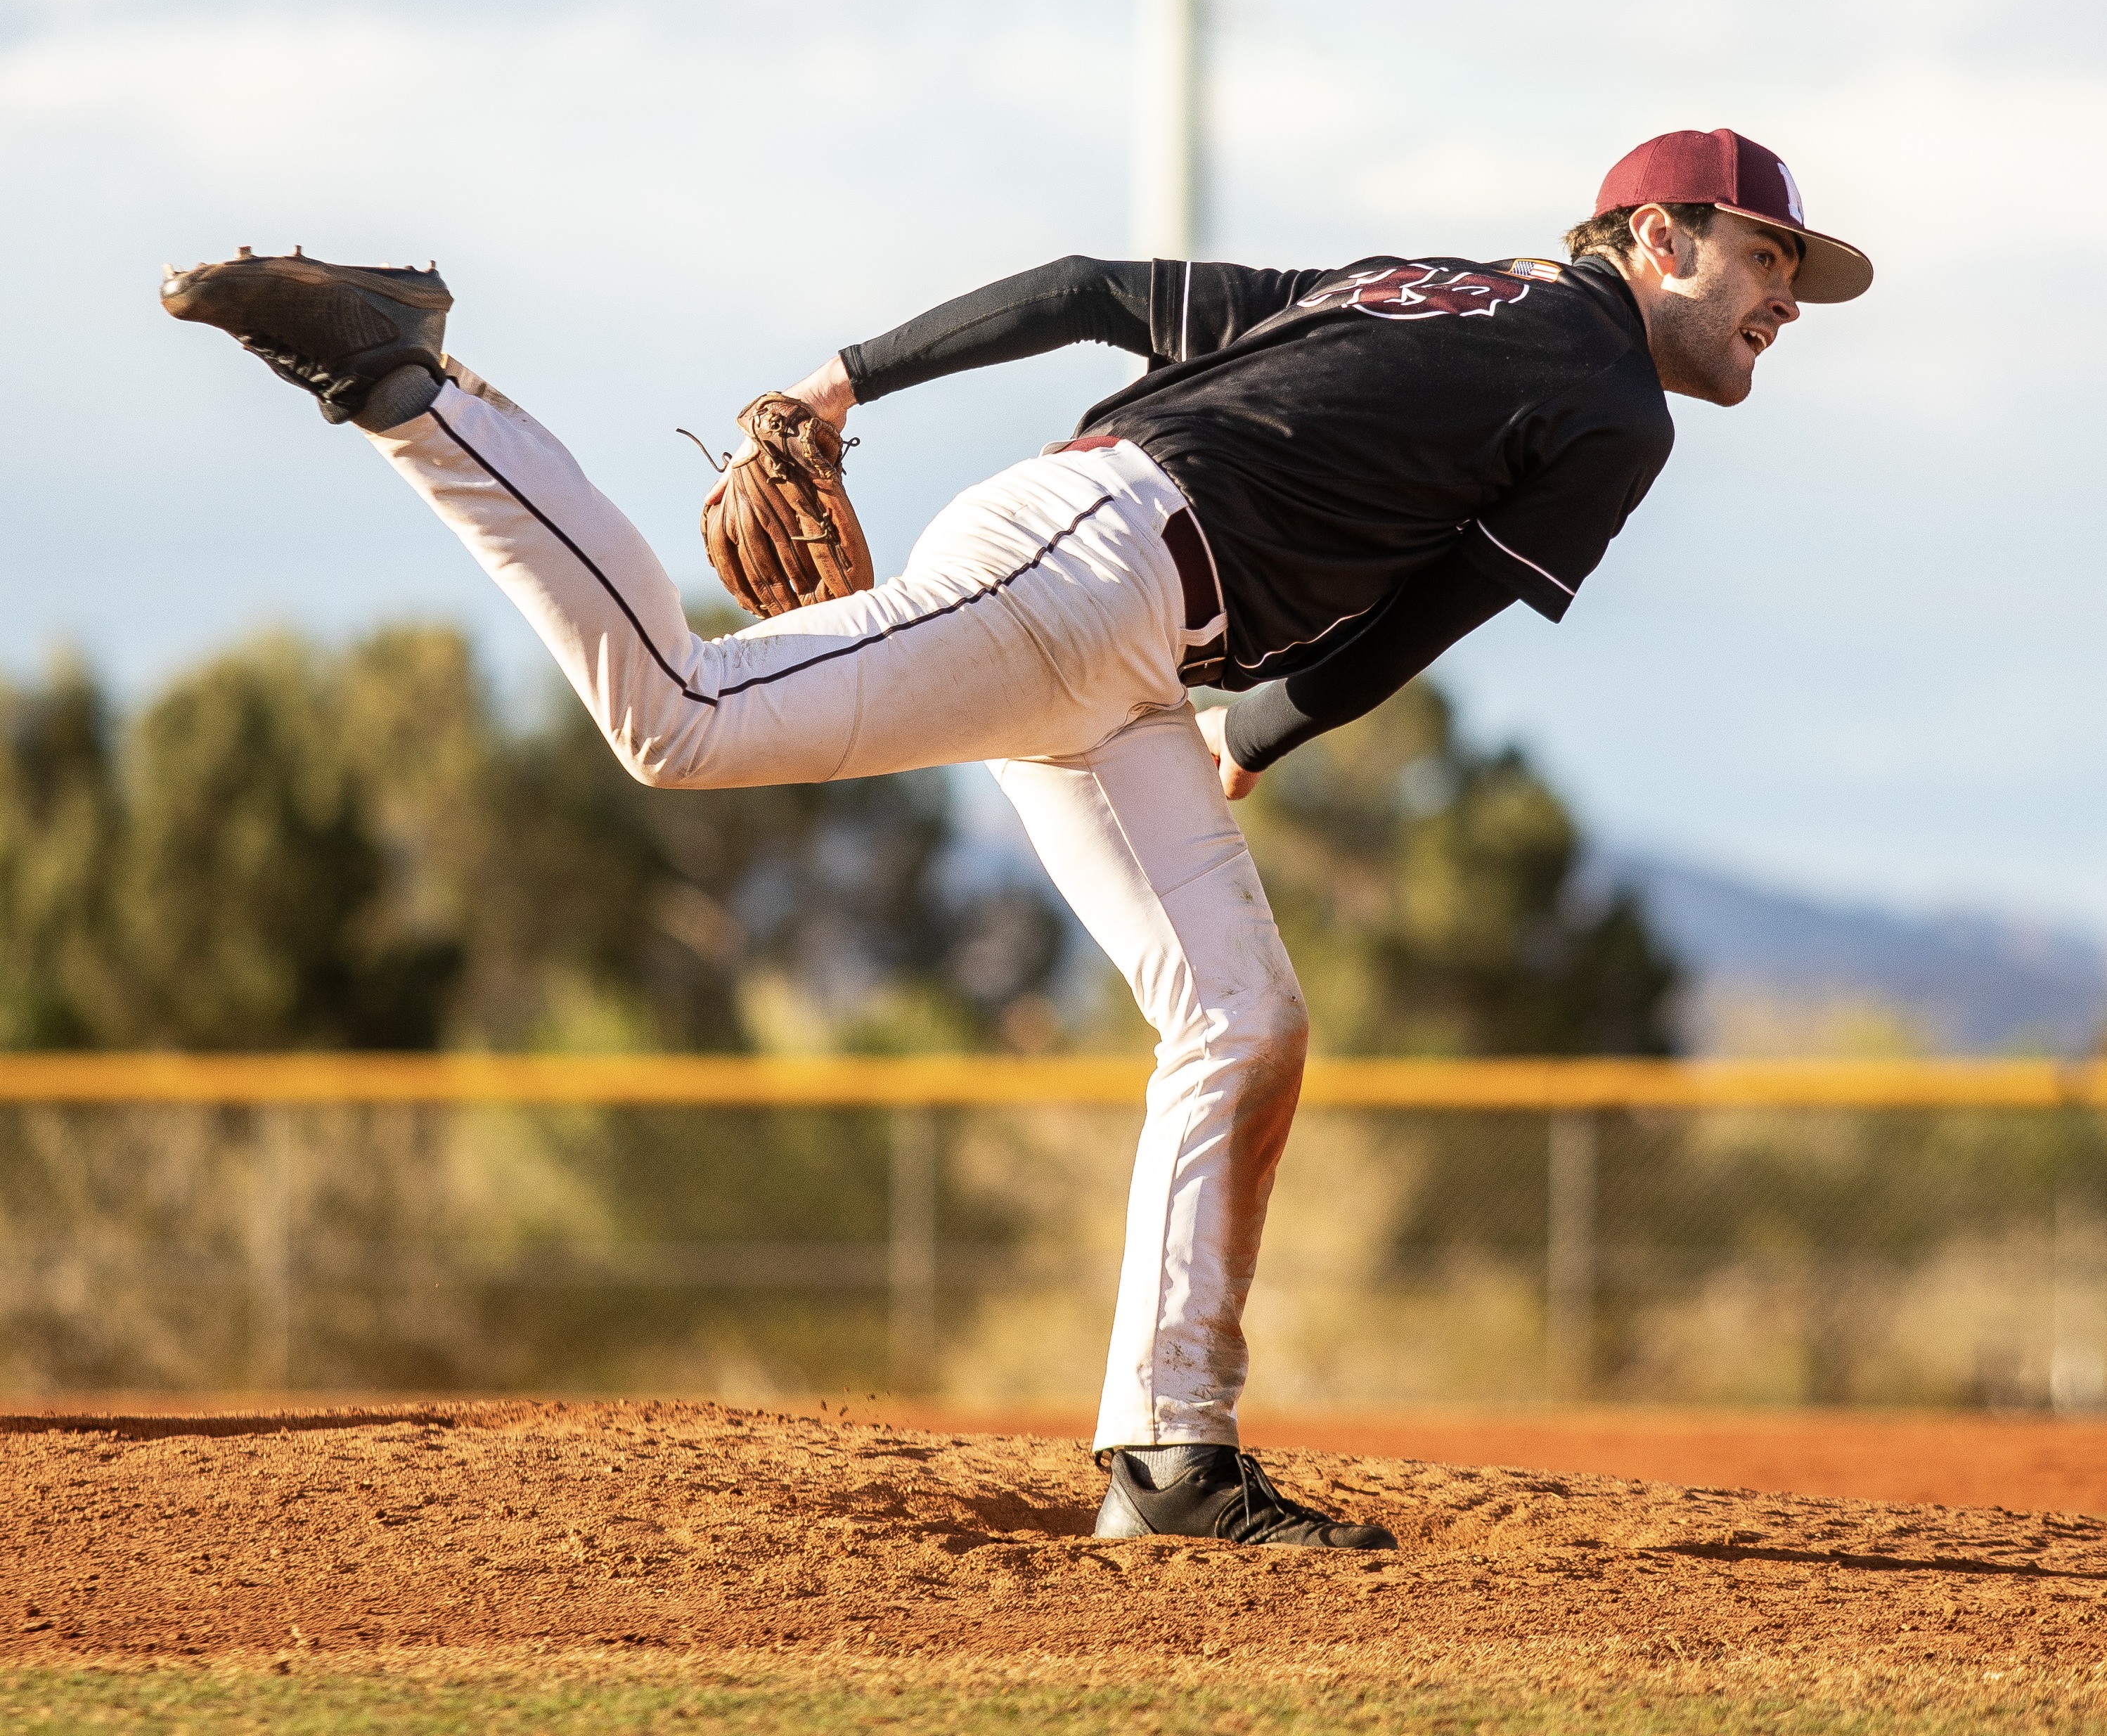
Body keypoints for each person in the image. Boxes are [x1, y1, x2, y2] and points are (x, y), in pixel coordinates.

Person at [160, 127, 1869, 1549]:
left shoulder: (1406, 282)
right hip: (1096, 582)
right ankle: (403, 382)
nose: (1783, 298)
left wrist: (843, 379)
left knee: (1243, 1019)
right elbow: (1424, 621)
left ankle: (1172, 1460)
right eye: (1762, 258)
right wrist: (1255, 737)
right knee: (677, 716)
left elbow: (1086, 290)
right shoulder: (1614, 405)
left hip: (1109, 611)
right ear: (1656, 237)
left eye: (1790, 271)